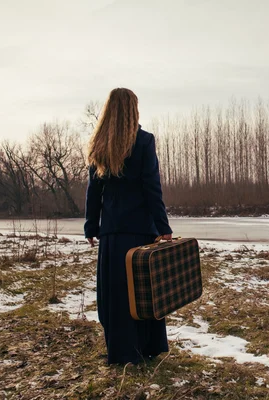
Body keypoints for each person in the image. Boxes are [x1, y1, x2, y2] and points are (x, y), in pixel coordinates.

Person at [84, 88, 173, 365]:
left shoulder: (100, 143)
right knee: (145, 291)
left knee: (116, 296)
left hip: (112, 234)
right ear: (133, 110)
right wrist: (163, 227)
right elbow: (152, 188)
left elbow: (93, 192)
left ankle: (121, 352)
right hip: (141, 232)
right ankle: (147, 348)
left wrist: (91, 226)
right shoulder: (144, 141)